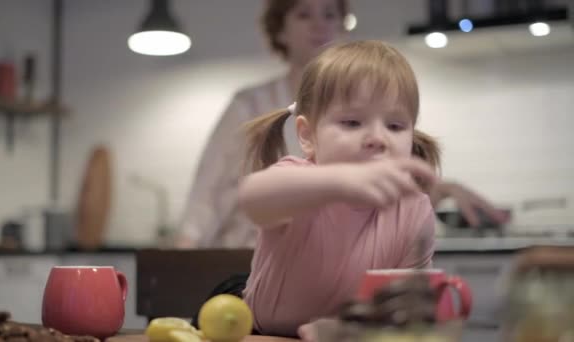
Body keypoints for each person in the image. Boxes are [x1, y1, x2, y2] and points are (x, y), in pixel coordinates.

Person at [176, 0, 508, 248]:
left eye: (330, 14)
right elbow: (208, 194)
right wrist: (180, 257)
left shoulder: (370, 109)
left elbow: (379, 188)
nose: (319, 25)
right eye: (304, 14)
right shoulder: (248, 105)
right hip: (246, 261)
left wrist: (439, 188)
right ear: (280, 30)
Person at [239, 40, 439, 337]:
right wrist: (341, 182)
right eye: (352, 122)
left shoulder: (414, 210)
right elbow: (253, 198)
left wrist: (344, 330)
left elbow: (404, 310)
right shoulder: (300, 181)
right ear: (308, 136)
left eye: (395, 126)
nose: (377, 138)